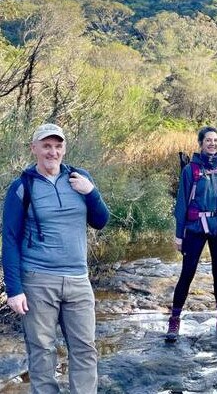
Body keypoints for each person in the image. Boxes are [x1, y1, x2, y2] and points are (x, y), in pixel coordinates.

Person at [2, 123, 110, 394]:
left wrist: (91, 192)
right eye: (47, 146)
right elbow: (10, 240)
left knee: (85, 348)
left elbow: (101, 221)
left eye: (58, 145)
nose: (53, 152)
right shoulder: (22, 187)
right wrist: (14, 290)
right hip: (38, 280)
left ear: (64, 148)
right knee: (41, 350)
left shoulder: (79, 178)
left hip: (78, 280)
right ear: (34, 149)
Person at [166, 126, 217, 342]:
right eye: (208, 140)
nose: (212, 143)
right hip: (195, 229)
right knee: (187, 273)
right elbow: (181, 204)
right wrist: (179, 234)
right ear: (201, 143)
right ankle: (174, 320)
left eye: (215, 140)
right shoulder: (191, 171)